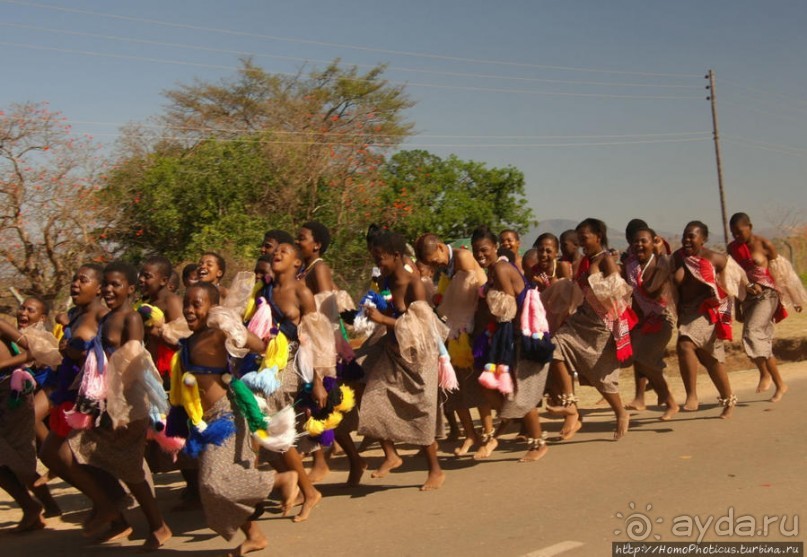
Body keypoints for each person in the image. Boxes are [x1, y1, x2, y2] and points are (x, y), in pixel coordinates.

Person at [175, 281, 297, 555]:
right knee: (215, 487)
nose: (189, 310)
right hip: (205, 420)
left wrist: (236, 330)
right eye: (186, 304)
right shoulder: (189, 340)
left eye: (197, 304)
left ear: (213, 308)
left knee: (213, 482)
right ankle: (254, 536)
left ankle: (280, 480)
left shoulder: (218, 334)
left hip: (227, 416)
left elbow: (259, 345)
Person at [64, 261, 172, 549]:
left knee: (130, 468)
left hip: (128, 402)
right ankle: (111, 507)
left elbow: (133, 361)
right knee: (80, 450)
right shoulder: (106, 317)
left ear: (130, 289)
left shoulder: (131, 318)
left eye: (116, 285)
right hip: (106, 401)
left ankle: (154, 525)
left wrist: (119, 406)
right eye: (106, 284)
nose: (109, 290)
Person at [359, 231, 445, 490]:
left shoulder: (414, 284)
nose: (378, 263)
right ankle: (391, 455)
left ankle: (435, 470)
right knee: (372, 397)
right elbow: (387, 307)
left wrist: (383, 319)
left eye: (381, 258)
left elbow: (421, 327)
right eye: (375, 258)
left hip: (418, 357)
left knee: (420, 411)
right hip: (392, 351)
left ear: (396, 256)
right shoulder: (385, 279)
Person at [254, 241, 335, 519]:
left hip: (292, 365)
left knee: (273, 427)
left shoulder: (302, 292)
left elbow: (316, 338)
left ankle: (307, 490)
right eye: (275, 251)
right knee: (263, 430)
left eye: (285, 252)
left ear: (297, 263)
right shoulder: (263, 291)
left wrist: (319, 380)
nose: (277, 253)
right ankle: (299, 487)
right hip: (266, 365)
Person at [547, 219, 634, 440]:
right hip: (582, 319)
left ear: (598, 236)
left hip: (602, 325)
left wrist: (594, 275)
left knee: (600, 375)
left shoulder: (606, 260)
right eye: (579, 239)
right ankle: (570, 405)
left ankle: (621, 412)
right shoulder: (585, 261)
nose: (581, 243)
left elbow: (618, 292)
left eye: (584, 238)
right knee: (554, 347)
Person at [470, 226, 551, 462]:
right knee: (492, 386)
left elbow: (507, 308)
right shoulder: (494, 270)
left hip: (521, 337)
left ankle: (538, 443)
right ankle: (512, 419)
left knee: (521, 393)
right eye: (476, 251)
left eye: (484, 250)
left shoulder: (500, 268)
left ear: (495, 247)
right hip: (509, 337)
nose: (480, 255)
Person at [295, 222, 365, 487]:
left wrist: (325, 351)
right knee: (321, 406)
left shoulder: (319, 268)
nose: (298, 242)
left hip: (323, 344)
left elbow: (327, 310)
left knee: (327, 405)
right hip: (312, 343)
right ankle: (342, 459)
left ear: (317, 245)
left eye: (302, 238)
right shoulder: (306, 269)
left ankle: (341, 461)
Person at [414, 233, 495, 459]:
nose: (435, 265)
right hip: (452, 331)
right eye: (430, 263)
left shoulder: (462, 257)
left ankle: (488, 434)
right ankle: (470, 434)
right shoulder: (446, 267)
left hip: (470, 331)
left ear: (441, 247)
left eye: (434, 259)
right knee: (453, 386)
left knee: (475, 384)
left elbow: (475, 289)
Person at [0, 297, 63, 530]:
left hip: (18, 393)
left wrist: (3, 366)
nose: (23, 313)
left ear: (42, 317)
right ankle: (38, 505)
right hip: (13, 393)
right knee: (12, 457)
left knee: (17, 455)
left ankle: (56, 460)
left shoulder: (9, 328)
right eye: (22, 308)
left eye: (30, 310)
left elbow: (36, 352)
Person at [728, 212, 804, 402]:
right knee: (757, 340)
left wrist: (795, 298)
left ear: (750, 227)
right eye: (733, 233)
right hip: (748, 298)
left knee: (752, 333)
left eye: (740, 232)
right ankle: (780, 384)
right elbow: (736, 278)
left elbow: (783, 273)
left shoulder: (764, 244)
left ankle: (764, 374)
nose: (737, 236)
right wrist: (737, 306)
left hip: (767, 296)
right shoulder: (732, 248)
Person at [672, 221, 740, 418]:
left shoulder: (716, 258)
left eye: (691, 236)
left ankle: (692, 395)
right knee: (710, 359)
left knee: (685, 344)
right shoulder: (677, 257)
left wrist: (748, 292)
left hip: (708, 310)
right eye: (684, 236)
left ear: (703, 239)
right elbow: (672, 285)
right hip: (687, 312)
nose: (686, 240)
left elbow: (736, 278)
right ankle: (728, 399)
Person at [623, 227, 679, 420]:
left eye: (644, 241)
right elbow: (634, 295)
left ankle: (664, 393)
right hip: (644, 321)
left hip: (663, 320)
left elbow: (651, 289)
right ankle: (668, 399)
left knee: (644, 358)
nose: (639, 245)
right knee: (638, 359)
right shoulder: (631, 266)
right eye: (635, 242)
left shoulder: (662, 262)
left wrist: (660, 255)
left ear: (653, 243)